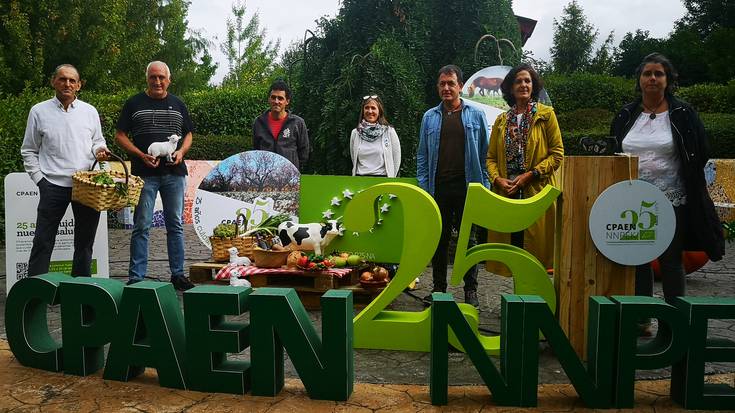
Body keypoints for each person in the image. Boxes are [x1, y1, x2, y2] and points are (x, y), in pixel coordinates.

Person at [610, 53, 724, 329]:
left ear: (668, 79)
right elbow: (613, 150)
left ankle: (675, 323)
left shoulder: (683, 113)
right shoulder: (626, 114)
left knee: (671, 259)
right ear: (639, 79)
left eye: (658, 73)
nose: (652, 78)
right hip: (633, 198)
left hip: (671, 196)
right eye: (647, 73)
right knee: (638, 260)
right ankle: (642, 319)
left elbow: (700, 150)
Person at [21, 64, 111, 277]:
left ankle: (80, 289)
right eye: (62, 79)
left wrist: (100, 151)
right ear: (53, 81)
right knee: (43, 241)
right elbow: (29, 150)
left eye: (72, 80)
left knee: (84, 243)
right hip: (52, 185)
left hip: (86, 186)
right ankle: (37, 290)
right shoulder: (38, 111)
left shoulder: (90, 111)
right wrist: (41, 181)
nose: (67, 84)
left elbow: (97, 141)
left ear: (79, 85)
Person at [115, 61, 195, 291]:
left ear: (169, 80)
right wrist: (140, 155)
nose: (157, 81)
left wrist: (181, 152)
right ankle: (136, 277)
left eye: (161, 77)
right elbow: (120, 135)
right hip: (144, 175)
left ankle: (178, 275)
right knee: (142, 225)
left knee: (175, 225)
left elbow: (189, 134)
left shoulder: (178, 104)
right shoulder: (134, 103)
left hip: (175, 174)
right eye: (153, 77)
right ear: (147, 79)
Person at [417, 65, 490, 309]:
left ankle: (471, 291)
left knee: (468, 241)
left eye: (451, 83)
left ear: (460, 86)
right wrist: (424, 187)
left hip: (468, 187)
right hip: (439, 188)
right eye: (442, 84)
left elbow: (485, 154)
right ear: (438, 87)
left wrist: (484, 187)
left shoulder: (476, 115)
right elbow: (422, 156)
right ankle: (439, 289)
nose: (446, 88)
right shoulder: (429, 117)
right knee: (439, 239)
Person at [486, 64, 564, 275]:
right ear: (511, 88)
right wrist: (497, 180)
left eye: (527, 81)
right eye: (518, 81)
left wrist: (531, 174)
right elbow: (491, 158)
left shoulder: (546, 115)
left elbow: (557, 154)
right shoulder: (502, 121)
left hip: (536, 192)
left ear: (533, 86)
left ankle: (533, 294)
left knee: (535, 256)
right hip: (508, 194)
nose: (523, 85)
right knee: (513, 252)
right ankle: (517, 294)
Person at [252, 80, 310, 170]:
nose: (276, 101)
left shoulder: (297, 123)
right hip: (266, 174)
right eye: (273, 97)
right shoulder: (258, 122)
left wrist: (293, 169)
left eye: (280, 98)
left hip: (289, 175)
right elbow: (256, 150)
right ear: (269, 99)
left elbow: (304, 152)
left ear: (287, 101)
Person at [350, 95, 401, 177]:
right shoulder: (355, 133)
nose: (370, 111)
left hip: (383, 180)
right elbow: (354, 158)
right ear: (363, 110)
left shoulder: (389, 132)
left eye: (373, 108)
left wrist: (392, 178)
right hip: (360, 179)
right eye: (367, 108)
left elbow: (396, 159)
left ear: (379, 111)